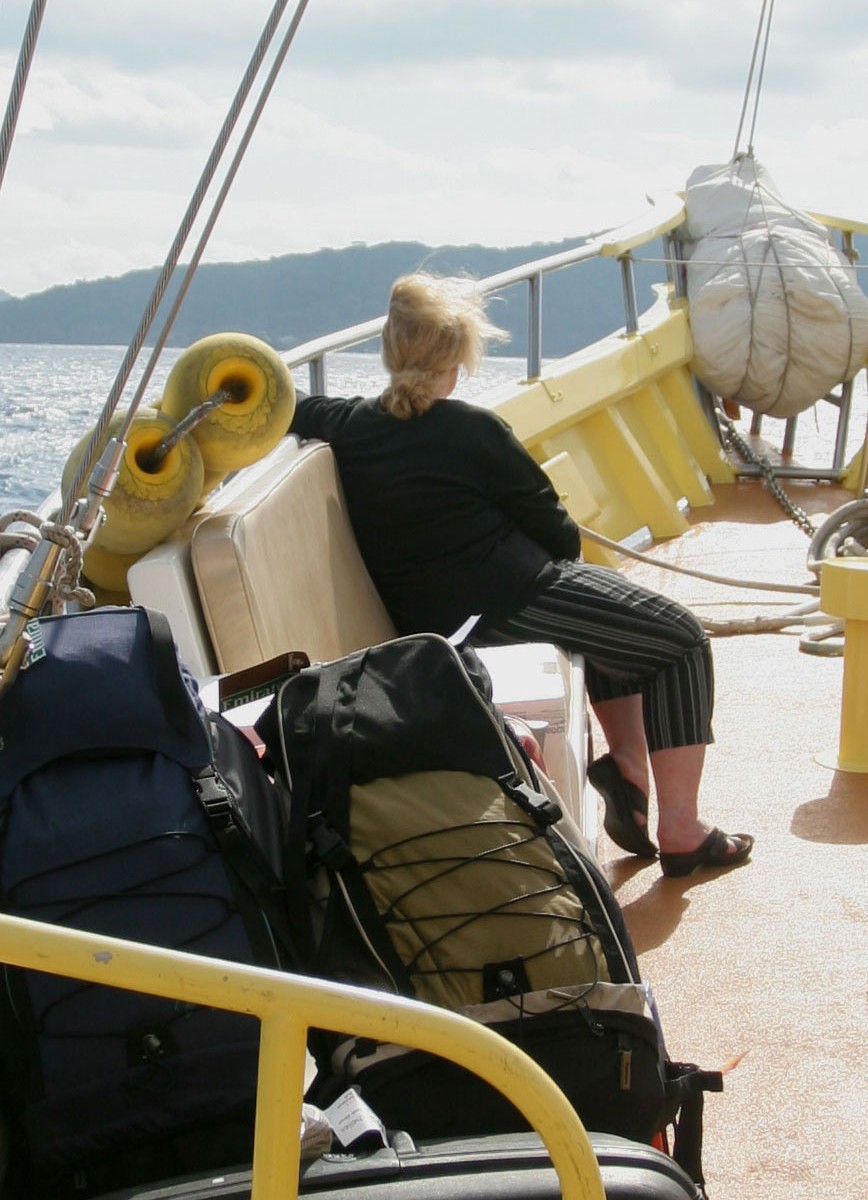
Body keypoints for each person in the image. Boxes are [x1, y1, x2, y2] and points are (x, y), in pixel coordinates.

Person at [290, 271, 753, 878]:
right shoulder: (474, 432)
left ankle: (632, 775)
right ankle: (683, 831)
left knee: (618, 623)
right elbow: (558, 531)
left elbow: (285, 405)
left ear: (391, 352)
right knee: (680, 638)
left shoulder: (346, 425)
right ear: (456, 360)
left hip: (438, 618)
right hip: (508, 602)